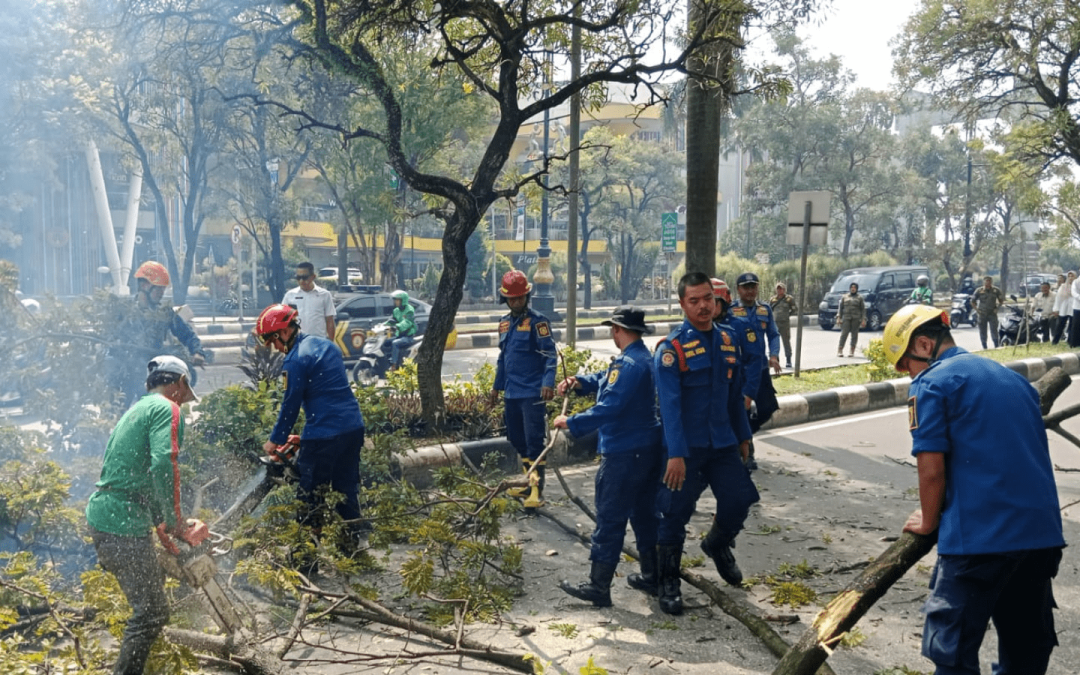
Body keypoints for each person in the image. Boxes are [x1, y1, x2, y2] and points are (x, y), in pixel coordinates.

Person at [883, 304, 1065, 675]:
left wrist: (928, 520)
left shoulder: (932, 383)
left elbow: (931, 469)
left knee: (950, 653)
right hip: (1040, 535)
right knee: (1027, 648)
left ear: (922, 344)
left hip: (981, 538)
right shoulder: (1012, 378)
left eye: (906, 366)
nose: (908, 376)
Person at [85, 356, 208, 675]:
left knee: (150, 603)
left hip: (111, 515)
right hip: (119, 521)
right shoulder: (168, 408)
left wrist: (161, 522)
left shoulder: (138, 409)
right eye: (185, 392)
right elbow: (164, 465)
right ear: (180, 383)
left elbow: (140, 474)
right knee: (152, 612)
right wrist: (177, 521)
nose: (185, 401)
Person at [653, 272, 758, 615]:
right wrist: (677, 455)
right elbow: (669, 408)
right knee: (674, 512)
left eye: (707, 300)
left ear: (716, 302)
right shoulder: (672, 350)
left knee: (740, 499)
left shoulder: (728, 339)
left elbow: (734, 397)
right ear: (683, 304)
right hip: (686, 450)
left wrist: (744, 437)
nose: (702, 306)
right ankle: (668, 581)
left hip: (723, 443)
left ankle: (717, 543)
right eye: (694, 301)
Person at [553, 307, 663, 607]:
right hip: (646, 449)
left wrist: (571, 422)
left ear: (617, 329)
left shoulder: (629, 364)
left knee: (610, 517)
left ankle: (598, 587)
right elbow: (605, 378)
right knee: (644, 516)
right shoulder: (641, 359)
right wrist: (581, 382)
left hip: (623, 452)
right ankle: (653, 577)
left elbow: (610, 406)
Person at [255, 304, 368, 557]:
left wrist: (274, 442)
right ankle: (352, 549)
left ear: (284, 332)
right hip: (352, 428)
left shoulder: (294, 359)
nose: (275, 347)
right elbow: (326, 396)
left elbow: (291, 404)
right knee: (345, 488)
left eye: (274, 340)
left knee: (310, 496)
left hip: (324, 435)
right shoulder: (327, 346)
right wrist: (304, 436)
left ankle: (306, 559)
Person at [490, 270, 557, 509]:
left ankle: (536, 491)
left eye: (520, 298)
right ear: (506, 299)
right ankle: (528, 482)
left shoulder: (538, 322)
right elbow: (503, 358)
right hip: (511, 393)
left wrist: (548, 382)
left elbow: (549, 354)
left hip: (532, 393)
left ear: (527, 297)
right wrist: (496, 388)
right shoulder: (504, 323)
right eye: (512, 299)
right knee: (516, 439)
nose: (516, 302)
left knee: (534, 442)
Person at [113, 261, 207, 406]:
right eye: (158, 289)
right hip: (126, 372)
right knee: (118, 410)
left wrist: (197, 351)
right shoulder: (124, 310)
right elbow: (110, 337)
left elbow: (187, 334)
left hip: (152, 373)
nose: (162, 294)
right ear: (144, 286)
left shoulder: (164, 313)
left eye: (163, 290)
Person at [727, 272, 781, 470]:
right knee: (744, 409)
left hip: (760, 368)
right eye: (745, 287)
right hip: (740, 371)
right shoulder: (731, 310)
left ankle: (741, 434)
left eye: (753, 286)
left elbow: (773, 335)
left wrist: (774, 355)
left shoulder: (764, 309)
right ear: (738, 289)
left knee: (768, 407)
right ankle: (747, 453)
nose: (750, 291)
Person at [282, 261, 336, 340]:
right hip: (296, 342)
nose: (301, 281)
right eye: (298, 277)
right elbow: (283, 319)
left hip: (318, 342)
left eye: (304, 277)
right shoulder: (290, 295)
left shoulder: (324, 295)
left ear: (313, 277)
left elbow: (329, 320)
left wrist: (330, 343)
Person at [769, 282, 798, 369]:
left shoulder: (789, 299)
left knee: (786, 342)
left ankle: (788, 360)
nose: (779, 290)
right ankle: (775, 360)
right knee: (774, 342)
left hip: (784, 324)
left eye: (781, 289)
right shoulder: (773, 299)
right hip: (775, 323)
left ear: (784, 290)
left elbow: (794, 309)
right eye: (778, 289)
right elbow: (769, 310)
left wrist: (787, 315)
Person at [387, 289, 418, 369]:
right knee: (385, 342)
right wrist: (382, 326)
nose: (395, 302)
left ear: (403, 300)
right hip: (399, 335)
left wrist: (397, 326)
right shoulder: (396, 310)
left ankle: (394, 364)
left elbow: (408, 322)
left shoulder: (409, 310)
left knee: (395, 343)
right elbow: (391, 320)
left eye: (397, 300)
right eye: (395, 300)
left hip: (408, 336)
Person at [973, 275, 1005, 349]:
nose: (988, 282)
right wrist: (977, 310)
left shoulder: (996, 290)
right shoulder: (979, 290)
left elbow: (1001, 300)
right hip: (982, 314)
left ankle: (996, 345)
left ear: (991, 282)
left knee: (994, 330)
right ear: (983, 282)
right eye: (986, 281)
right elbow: (972, 301)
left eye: (989, 281)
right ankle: (984, 346)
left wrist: (997, 308)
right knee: (983, 331)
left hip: (992, 314)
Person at [835, 282, 866, 358]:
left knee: (854, 335)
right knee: (844, 334)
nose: (853, 288)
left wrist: (863, 319)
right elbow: (840, 308)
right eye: (852, 287)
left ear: (856, 289)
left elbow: (863, 309)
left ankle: (851, 351)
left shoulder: (860, 298)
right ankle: (840, 350)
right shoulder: (844, 297)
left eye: (854, 287)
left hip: (856, 318)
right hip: (846, 318)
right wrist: (839, 317)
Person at [1052, 272, 1074, 345]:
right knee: (1060, 325)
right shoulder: (1063, 286)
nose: (1070, 278)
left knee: (1072, 326)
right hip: (1063, 308)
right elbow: (1058, 298)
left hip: (1074, 308)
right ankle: (1055, 341)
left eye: (1072, 276)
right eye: (1069, 276)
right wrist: (1056, 309)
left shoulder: (1077, 286)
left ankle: (1070, 342)